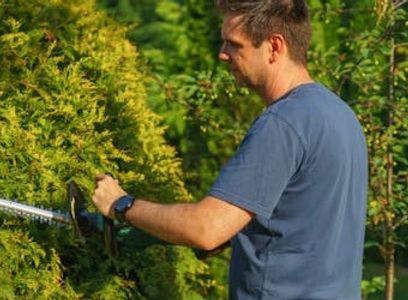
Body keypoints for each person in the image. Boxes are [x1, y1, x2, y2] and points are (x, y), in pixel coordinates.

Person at [91, 0, 368, 299]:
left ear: (274, 47)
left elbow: (206, 229)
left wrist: (122, 205)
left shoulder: (283, 123)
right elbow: (303, 223)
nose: (222, 54)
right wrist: (156, 229)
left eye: (234, 44)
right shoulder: (340, 115)